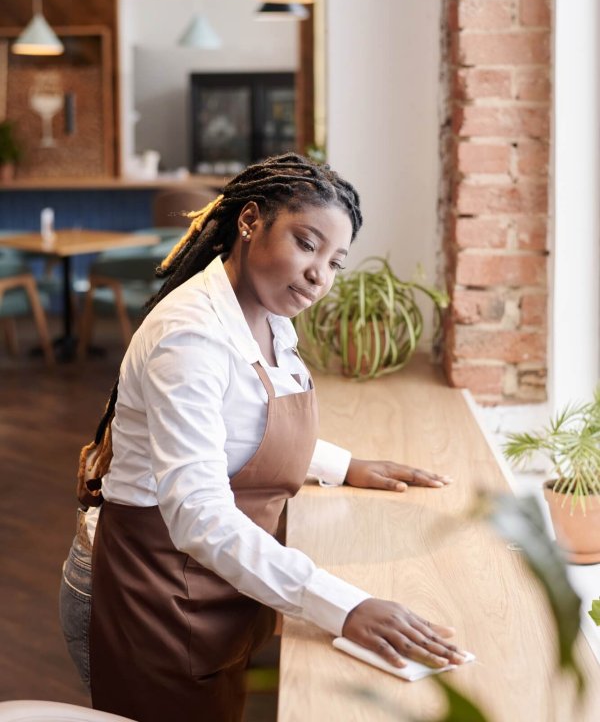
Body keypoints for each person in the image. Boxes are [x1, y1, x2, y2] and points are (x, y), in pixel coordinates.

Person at [59, 153, 467, 722]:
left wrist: (342, 464)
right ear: (250, 222)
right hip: (152, 593)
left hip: (204, 589)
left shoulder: (265, 311)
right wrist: (344, 606)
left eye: (335, 262)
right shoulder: (191, 340)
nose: (319, 275)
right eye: (306, 244)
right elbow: (198, 515)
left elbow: (234, 428)